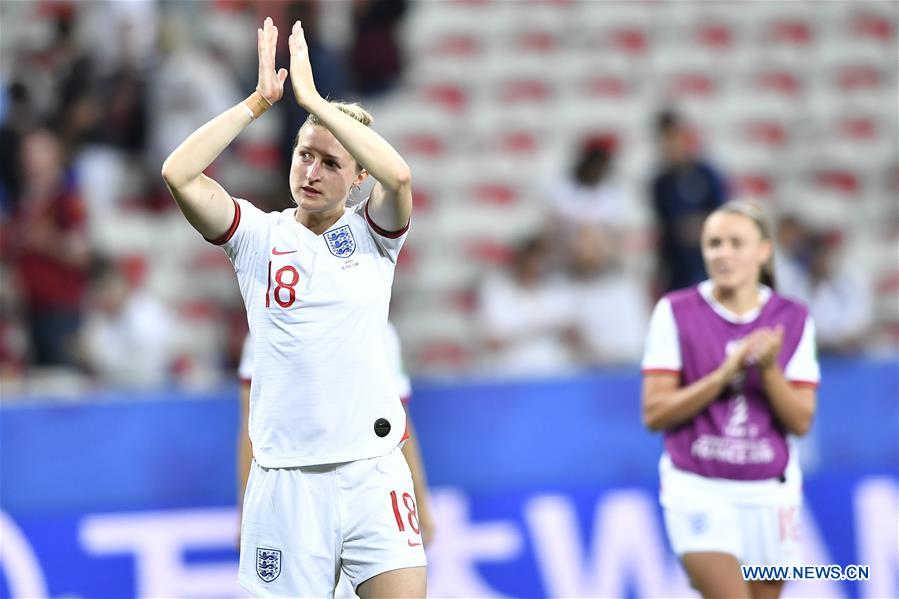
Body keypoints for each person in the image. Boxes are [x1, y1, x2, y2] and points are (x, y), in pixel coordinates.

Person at [161, 17, 425, 598]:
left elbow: (399, 174)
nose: (311, 171)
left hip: (371, 471)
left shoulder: (375, 236)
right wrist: (258, 103)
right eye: (306, 154)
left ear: (358, 178)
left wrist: (316, 103)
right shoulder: (257, 237)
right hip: (286, 485)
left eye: (331, 163)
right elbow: (178, 173)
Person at [641, 201, 820, 599]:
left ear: (763, 250)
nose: (722, 253)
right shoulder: (676, 312)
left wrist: (769, 370)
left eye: (736, 243)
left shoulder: (792, 317)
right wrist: (725, 374)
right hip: (699, 489)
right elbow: (655, 413)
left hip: (769, 495)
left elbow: (801, 422)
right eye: (713, 243)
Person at [235, 324, 436, 554]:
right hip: (296, 491)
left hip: (363, 493)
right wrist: (247, 509)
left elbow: (397, 425)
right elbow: (253, 425)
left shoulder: (376, 323)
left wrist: (421, 504)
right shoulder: (271, 321)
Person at [650, 109, 728, 294]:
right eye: (665, 140)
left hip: (710, 266)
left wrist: (702, 224)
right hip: (677, 270)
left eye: (673, 138)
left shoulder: (707, 175)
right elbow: (664, 227)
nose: (670, 145)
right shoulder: (660, 183)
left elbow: (725, 214)